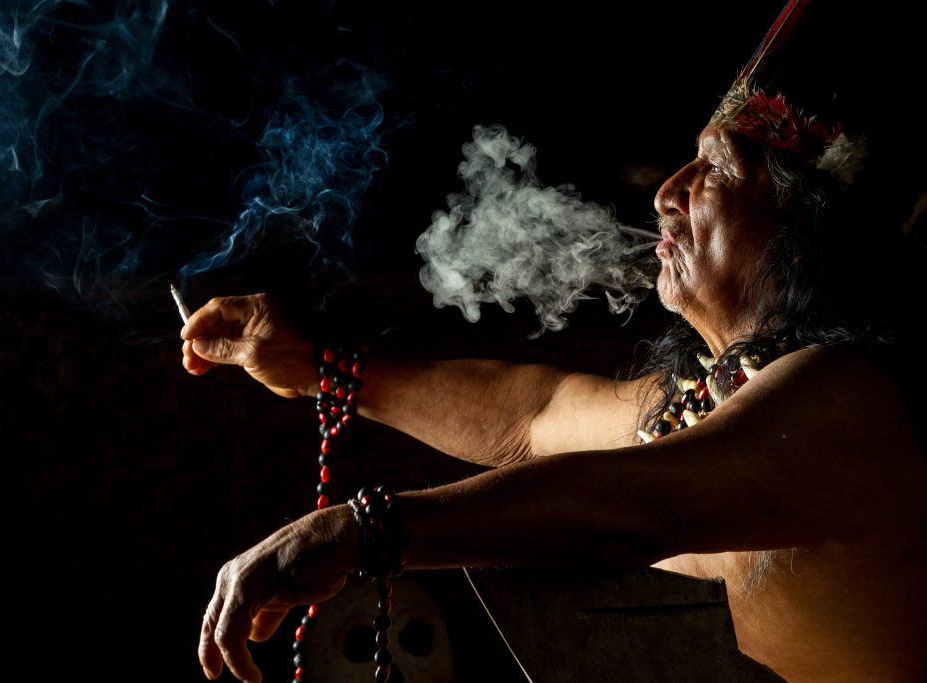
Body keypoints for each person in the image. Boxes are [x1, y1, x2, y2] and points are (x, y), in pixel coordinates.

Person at [179, 3, 927, 681]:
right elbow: (533, 419)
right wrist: (318, 369)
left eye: (718, 169)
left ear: (808, 234)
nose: (668, 190)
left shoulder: (849, 400)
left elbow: (639, 507)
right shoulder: (726, 403)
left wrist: (359, 529)